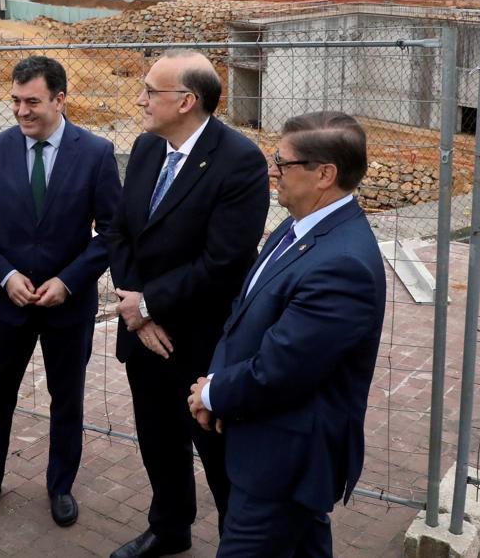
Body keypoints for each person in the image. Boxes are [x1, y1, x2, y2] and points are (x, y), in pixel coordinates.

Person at [188, 111, 386, 557]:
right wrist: (220, 388)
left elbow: (283, 367)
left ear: (324, 175)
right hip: (267, 437)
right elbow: (245, 317)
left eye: (283, 161)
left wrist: (214, 394)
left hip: (286, 459)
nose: (271, 170)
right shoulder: (297, 225)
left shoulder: (343, 264)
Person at [107, 51, 269, 558]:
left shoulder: (239, 162)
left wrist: (149, 305)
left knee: (219, 455)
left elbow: (223, 261)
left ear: (186, 100)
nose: (140, 99)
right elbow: (120, 233)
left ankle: (236, 545)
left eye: (150, 90)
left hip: (201, 343)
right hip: (145, 337)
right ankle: (170, 528)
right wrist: (137, 313)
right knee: (157, 441)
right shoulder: (146, 147)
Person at [0, 56, 121, 527]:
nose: (22, 112)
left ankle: (60, 486)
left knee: (67, 399)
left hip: (70, 305)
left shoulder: (97, 152)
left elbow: (110, 232)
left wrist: (69, 281)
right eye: (15, 102)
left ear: (60, 99)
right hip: (10, 304)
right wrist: (5, 276)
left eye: (32, 102)